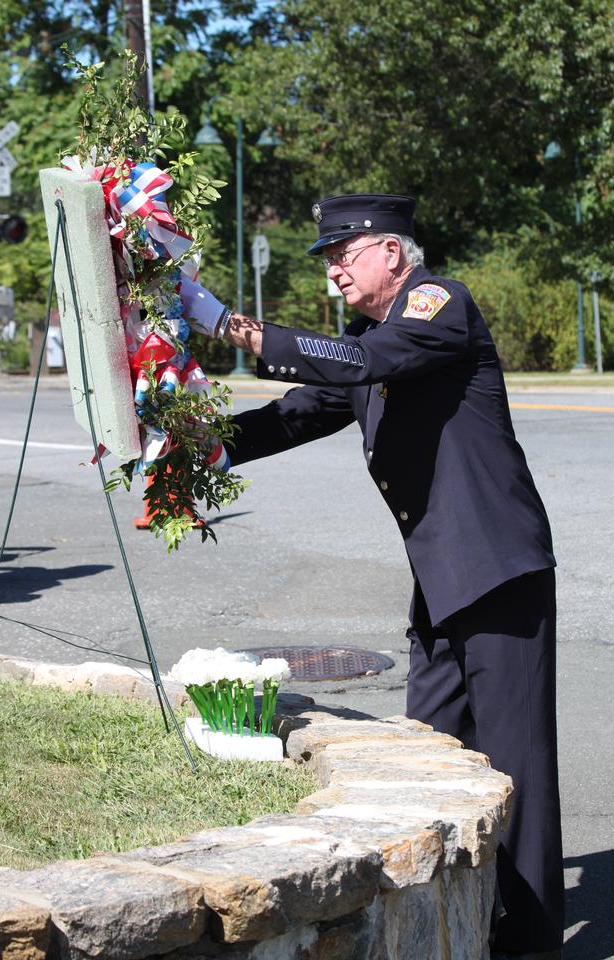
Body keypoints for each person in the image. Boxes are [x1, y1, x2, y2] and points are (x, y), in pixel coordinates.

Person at [180, 193, 565, 960]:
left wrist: (232, 326)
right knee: (430, 748)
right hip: (446, 579)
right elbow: (307, 406)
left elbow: (369, 363)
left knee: (516, 762)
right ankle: (438, 922)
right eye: (326, 257)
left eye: (341, 254)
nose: (331, 270)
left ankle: (527, 937)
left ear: (392, 252)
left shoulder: (437, 305)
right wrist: (206, 454)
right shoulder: (371, 335)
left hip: (498, 572)